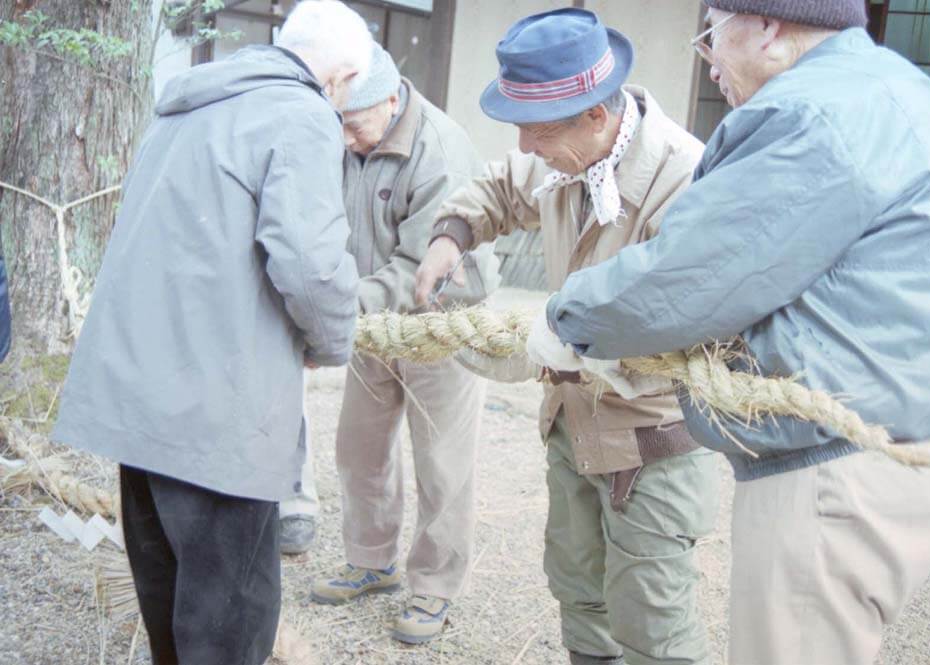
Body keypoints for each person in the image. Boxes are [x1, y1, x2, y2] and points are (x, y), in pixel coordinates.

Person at [542, 2, 930, 664]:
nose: (710, 58)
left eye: (713, 33)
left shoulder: (807, 115)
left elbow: (691, 275)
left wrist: (563, 319)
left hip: (829, 472)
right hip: (884, 447)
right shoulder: (892, 87)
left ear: (769, 25)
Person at [51, 2, 373, 663]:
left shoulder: (187, 106)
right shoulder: (301, 113)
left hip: (139, 402)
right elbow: (311, 267)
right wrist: (330, 341)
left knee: (169, 604)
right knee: (230, 622)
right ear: (338, 77)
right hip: (216, 409)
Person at [414, 9, 720, 665]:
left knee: (652, 614)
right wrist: (451, 236)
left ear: (595, 115)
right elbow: (501, 187)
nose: (525, 145)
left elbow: (681, 310)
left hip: (650, 439)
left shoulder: (683, 176)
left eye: (537, 129)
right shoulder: (566, 159)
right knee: (577, 583)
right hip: (571, 421)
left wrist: (560, 337)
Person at [308, 43, 500, 645]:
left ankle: (434, 588)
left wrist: (340, 305)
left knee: (442, 465)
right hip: (372, 324)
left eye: (354, 123)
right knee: (359, 448)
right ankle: (372, 560)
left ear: (392, 102)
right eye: (337, 122)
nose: (344, 138)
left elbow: (421, 267)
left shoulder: (439, 151)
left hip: (439, 325)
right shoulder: (346, 139)